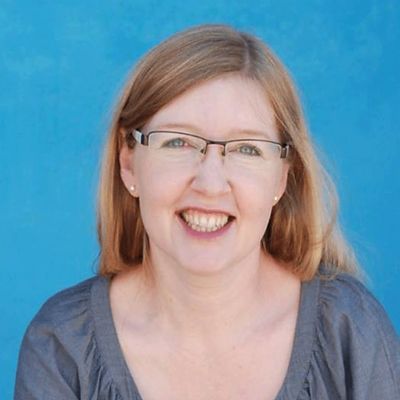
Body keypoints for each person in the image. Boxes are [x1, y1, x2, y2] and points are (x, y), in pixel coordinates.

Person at [14, 24, 399, 400]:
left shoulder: (351, 330)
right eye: (178, 142)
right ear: (128, 162)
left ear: (282, 177)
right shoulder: (61, 346)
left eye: (247, 148)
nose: (211, 184)